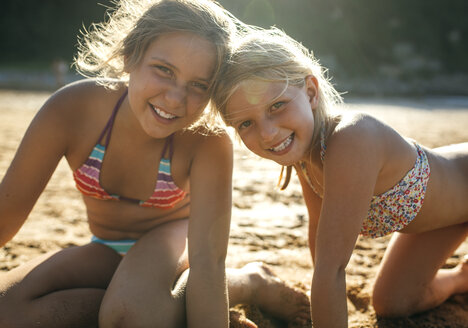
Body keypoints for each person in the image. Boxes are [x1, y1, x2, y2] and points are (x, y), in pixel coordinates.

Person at [0, 1, 310, 327]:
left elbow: (208, 263)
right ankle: (162, 304)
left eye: (198, 85)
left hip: (175, 249)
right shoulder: (72, 110)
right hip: (104, 250)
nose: (175, 99)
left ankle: (250, 282)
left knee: (131, 316)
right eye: (164, 70)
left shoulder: (206, 139)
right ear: (129, 56)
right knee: (7, 312)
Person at [212, 27, 468, 327]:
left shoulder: (352, 140)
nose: (267, 133)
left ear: (310, 91)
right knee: (391, 303)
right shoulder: (304, 155)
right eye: (246, 123)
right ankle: (462, 278)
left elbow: (332, 270)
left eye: (277, 106)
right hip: (447, 215)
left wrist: (325, 293)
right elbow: (320, 243)